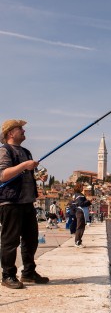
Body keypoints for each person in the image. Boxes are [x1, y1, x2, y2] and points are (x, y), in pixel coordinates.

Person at [0, 119, 49, 289]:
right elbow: (3, 175)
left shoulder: (26, 152)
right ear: (10, 133)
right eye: (20, 128)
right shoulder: (4, 151)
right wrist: (24, 165)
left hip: (28, 202)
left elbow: (27, 174)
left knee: (31, 240)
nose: (23, 131)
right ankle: (8, 275)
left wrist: (39, 176)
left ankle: (28, 272)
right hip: (10, 202)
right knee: (10, 241)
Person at [72, 183, 91, 248]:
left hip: (78, 211)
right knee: (80, 227)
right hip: (81, 212)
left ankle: (78, 241)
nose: (83, 188)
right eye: (82, 187)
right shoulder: (80, 196)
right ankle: (77, 242)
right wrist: (88, 201)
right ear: (79, 187)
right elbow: (81, 204)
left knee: (80, 227)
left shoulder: (75, 195)